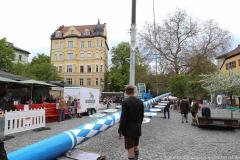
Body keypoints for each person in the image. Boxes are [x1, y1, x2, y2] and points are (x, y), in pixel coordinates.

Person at [118, 85, 144, 160]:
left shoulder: (125, 102)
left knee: (130, 149)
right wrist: (138, 125)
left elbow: (123, 118)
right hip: (138, 128)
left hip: (129, 130)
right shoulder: (140, 102)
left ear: (126, 92)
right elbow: (142, 117)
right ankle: (137, 158)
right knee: (135, 146)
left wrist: (120, 130)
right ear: (134, 92)